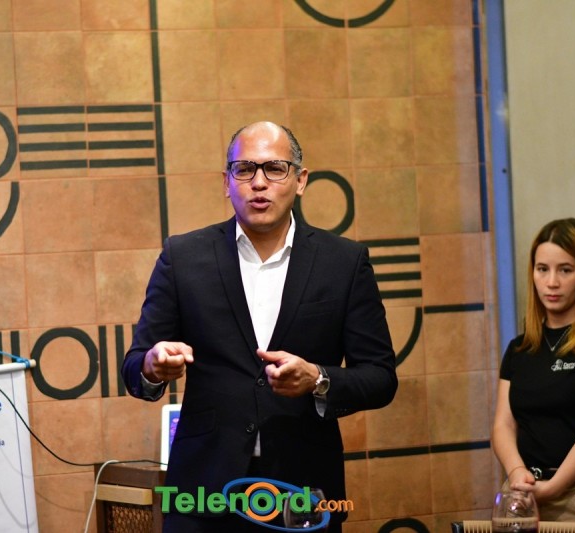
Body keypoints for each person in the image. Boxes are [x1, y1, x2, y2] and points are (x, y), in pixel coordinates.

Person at [121, 121, 398, 533]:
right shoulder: (183, 257)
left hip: (301, 491)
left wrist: (319, 379)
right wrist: (152, 365)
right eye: (245, 169)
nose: (259, 183)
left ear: (300, 180)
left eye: (275, 169)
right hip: (203, 495)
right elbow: (134, 367)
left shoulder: (344, 262)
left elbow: (380, 378)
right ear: (226, 182)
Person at [491, 218, 575, 521]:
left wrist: (554, 487)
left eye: (565, 270)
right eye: (542, 269)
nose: (552, 283)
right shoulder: (518, 349)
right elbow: (503, 426)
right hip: (523, 492)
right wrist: (517, 472)